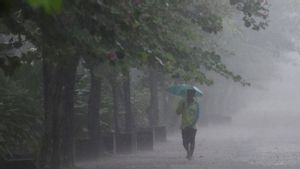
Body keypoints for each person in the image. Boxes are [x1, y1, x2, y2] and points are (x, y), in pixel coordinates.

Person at [176, 89, 200, 160]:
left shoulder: (196, 103)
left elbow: (198, 115)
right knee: (184, 142)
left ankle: (191, 155)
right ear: (187, 95)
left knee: (192, 140)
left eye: (192, 95)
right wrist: (182, 107)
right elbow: (177, 112)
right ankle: (188, 152)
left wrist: (193, 123)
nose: (190, 96)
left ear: (194, 95)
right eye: (189, 95)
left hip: (193, 126)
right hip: (184, 125)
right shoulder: (182, 102)